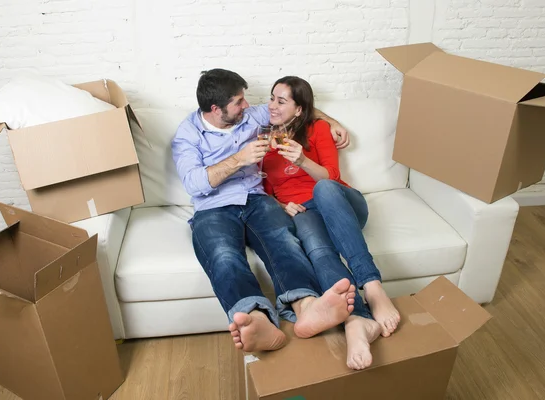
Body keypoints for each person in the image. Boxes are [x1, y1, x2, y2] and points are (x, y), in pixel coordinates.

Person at [171, 69, 355, 354]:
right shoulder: (187, 135)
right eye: (239, 102)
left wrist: (332, 122)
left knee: (283, 241)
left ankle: (306, 306)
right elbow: (194, 184)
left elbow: (296, 108)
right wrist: (239, 159)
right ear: (216, 109)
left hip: (257, 199)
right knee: (223, 255)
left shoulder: (250, 116)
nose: (248, 106)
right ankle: (257, 319)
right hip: (214, 207)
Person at [262, 76, 401, 370]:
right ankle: (357, 320)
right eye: (272, 98)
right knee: (316, 247)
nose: (272, 105)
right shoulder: (261, 141)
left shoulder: (317, 128)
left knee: (323, 189)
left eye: (281, 101)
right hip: (303, 210)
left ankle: (372, 286)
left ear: (299, 110)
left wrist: (302, 161)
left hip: (340, 203)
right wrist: (280, 205)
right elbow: (261, 191)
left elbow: (332, 178)